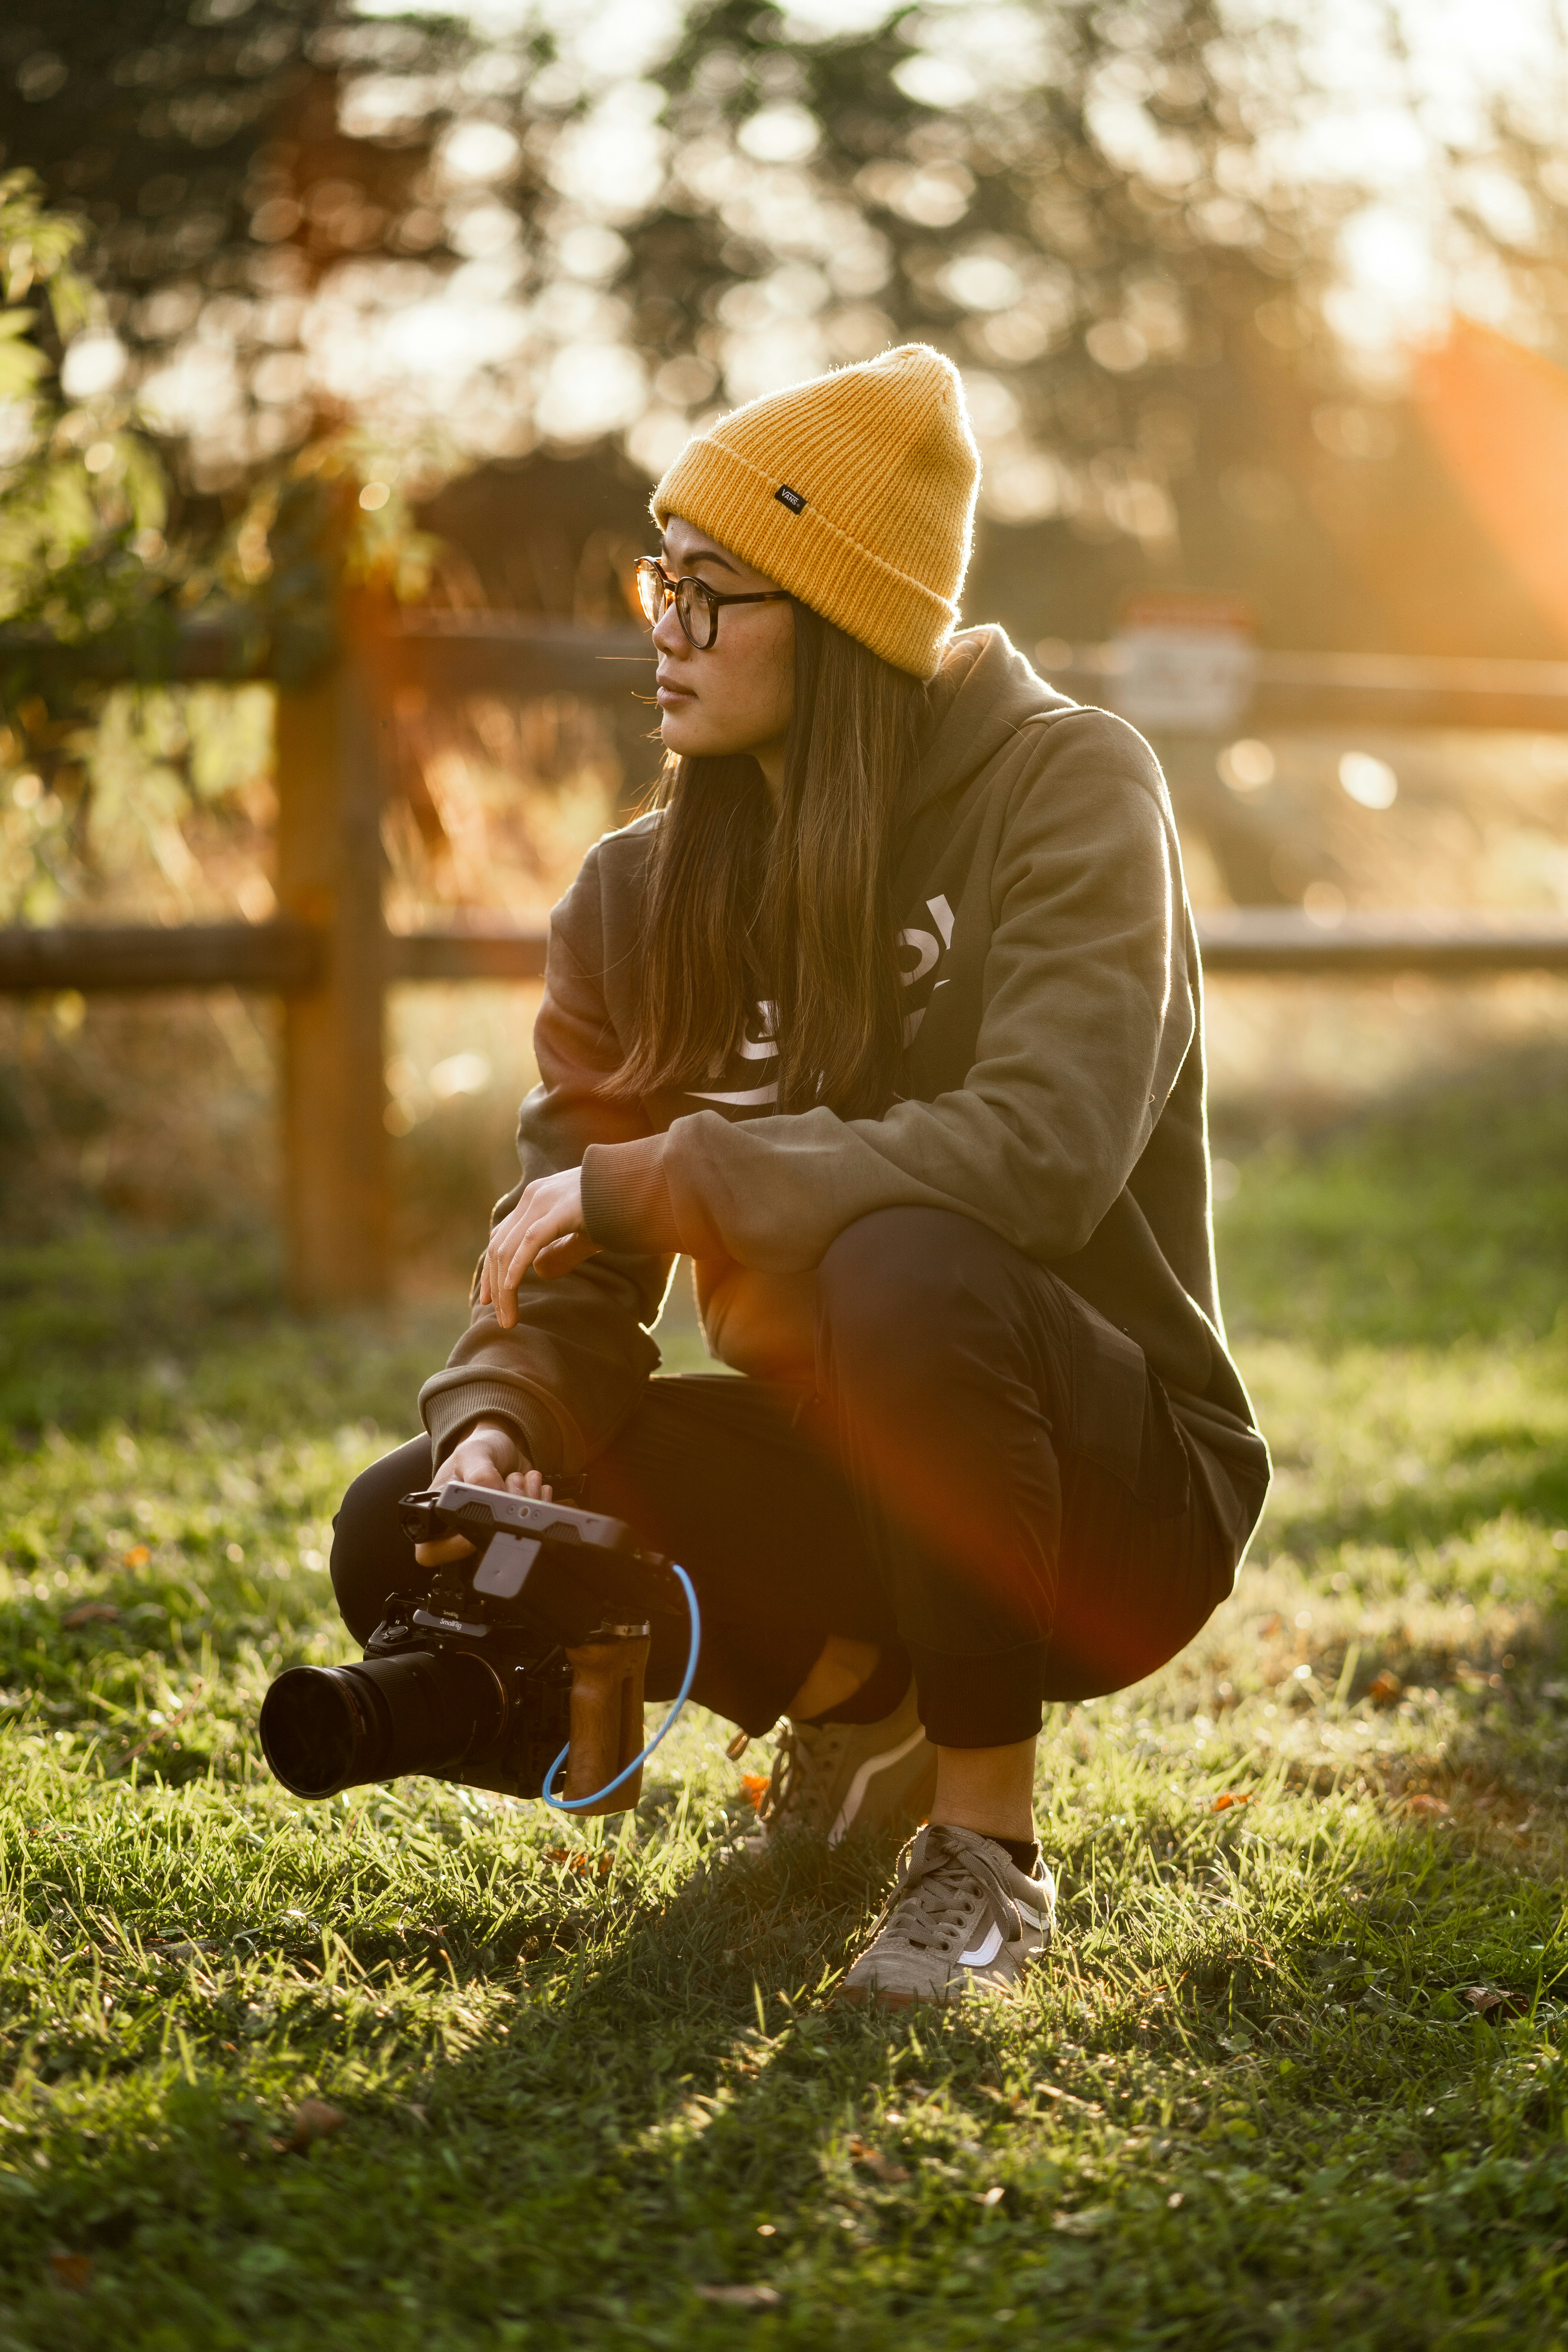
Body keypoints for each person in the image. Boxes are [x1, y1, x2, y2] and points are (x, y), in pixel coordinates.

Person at [331, 344, 1270, 2008]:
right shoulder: (635, 895)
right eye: (657, 582)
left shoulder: (1067, 787)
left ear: (840, 621)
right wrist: (503, 1425)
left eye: (710, 594)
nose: (661, 635)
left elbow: (1039, 1159)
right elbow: (571, 1258)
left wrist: (670, 1177)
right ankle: (861, 1699)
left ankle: (984, 1854)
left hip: (1112, 1504)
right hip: (858, 1467)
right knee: (412, 1524)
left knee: (900, 1259)